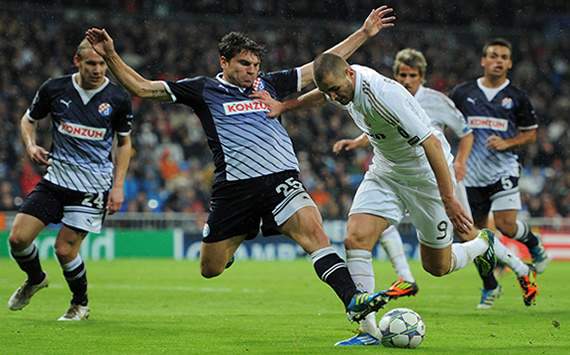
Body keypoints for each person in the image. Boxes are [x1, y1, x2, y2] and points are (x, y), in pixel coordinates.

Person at [86, 7, 398, 323]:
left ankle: (352, 300)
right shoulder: (203, 89)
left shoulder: (270, 84)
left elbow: (318, 67)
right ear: (224, 62)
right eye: (244, 64)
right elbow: (142, 87)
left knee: (315, 234)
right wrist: (111, 54)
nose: (252, 71)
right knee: (211, 269)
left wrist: (364, 33)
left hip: (280, 179)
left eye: (256, 65)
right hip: (235, 189)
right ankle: (243, 233)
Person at [251, 52, 499, 346]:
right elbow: (321, 93)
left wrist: (449, 198)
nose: (334, 97)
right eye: (329, 91)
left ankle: (483, 243)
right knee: (355, 238)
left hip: (426, 177)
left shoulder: (383, 95)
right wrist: (286, 105)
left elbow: (432, 142)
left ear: (350, 76)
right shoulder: (340, 82)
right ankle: (368, 330)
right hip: (386, 171)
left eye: (336, 90)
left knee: (437, 267)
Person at [333, 48, 537, 312]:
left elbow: (466, 133)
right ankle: (498, 276)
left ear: (422, 77)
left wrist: (461, 162)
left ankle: (519, 269)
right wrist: (358, 140)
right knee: (442, 252)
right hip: (397, 173)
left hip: (440, 175)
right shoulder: (379, 94)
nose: (407, 80)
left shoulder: (436, 101)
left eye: (412, 75)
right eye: (402, 74)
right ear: (395, 75)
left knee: (465, 233)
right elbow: (383, 128)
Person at [7, 39, 133, 320]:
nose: (98, 69)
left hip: (92, 186)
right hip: (56, 179)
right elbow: (28, 120)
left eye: (102, 64)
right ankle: (36, 278)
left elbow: (124, 144)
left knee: (64, 250)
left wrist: (118, 186)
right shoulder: (55, 89)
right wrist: (30, 145)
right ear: (77, 61)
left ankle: (80, 303)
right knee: (17, 239)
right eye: (91, 63)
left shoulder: (118, 98)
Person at [450, 38, 546, 309]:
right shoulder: (462, 93)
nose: (498, 60)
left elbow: (531, 134)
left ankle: (532, 244)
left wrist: (508, 142)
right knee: (473, 236)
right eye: (493, 55)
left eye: (503, 56)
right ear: (483, 60)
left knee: (504, 225)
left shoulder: (517, 97)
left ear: (510, 63)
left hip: (503, 168)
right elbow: (448, 122)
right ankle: (490, 285)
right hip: (469, 174)